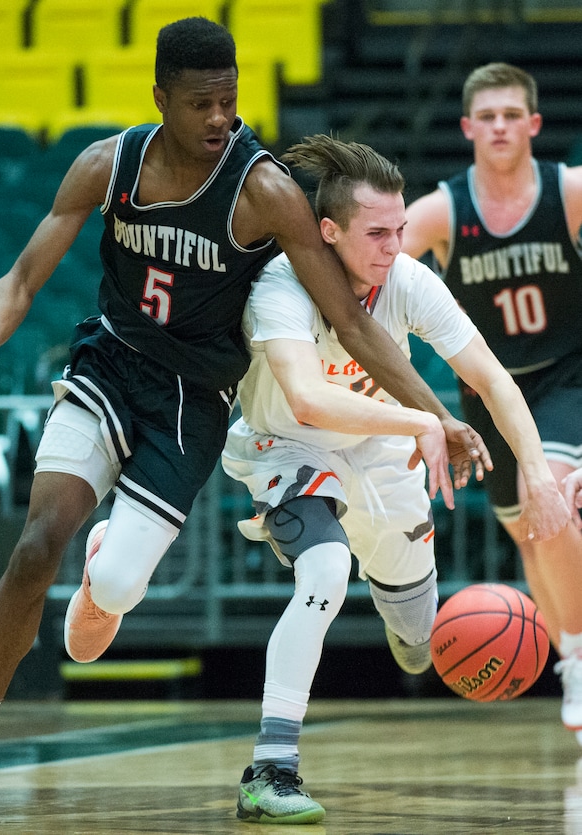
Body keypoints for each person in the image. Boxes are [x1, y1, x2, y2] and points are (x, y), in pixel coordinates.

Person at [0, 18, 485, 820]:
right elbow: (27, 269)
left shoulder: (265, 190)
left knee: (112, 581)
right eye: (202, 103)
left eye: (231, 100)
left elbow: (352, 322)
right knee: (39, 540)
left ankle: (110, 563)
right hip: (109, 360)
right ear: (160, 100)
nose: (221, 118)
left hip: (193, 398)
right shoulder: (108, 165)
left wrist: (430, 413)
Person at [221, 135, 570, 825]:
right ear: (329, 231)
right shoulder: (281, 289)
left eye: (402, 229)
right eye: (377, 232)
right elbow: (307, 400)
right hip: (287, 446)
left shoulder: (406, 279)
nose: (393, 244)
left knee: (419, 648)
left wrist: (537, 470)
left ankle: (401, 609)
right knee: (323, 571)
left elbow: (492, 379)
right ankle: (272, 768)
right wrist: (424, 421)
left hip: (383, 457)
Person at [402, 62, 582, 739]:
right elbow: (372, 262)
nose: (501, 126)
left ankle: (579, 658)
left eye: (513, 115)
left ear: (534, 125)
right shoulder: (445, 210)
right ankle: (568, 652)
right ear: (468, 128)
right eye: (489, 116)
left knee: (556, 501)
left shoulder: (567, 193)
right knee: (536, 539)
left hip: (566, 375)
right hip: (489, 394)